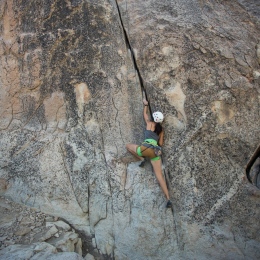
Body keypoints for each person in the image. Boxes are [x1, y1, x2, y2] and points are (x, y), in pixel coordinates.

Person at [126, 99, 172, 208]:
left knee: (128, 146)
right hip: (155, 152)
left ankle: (141, 159)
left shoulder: (149, 123)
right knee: (159, 176)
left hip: (144, 149)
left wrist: (145, 105)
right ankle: (168, 199)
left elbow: (144, 114)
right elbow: (160, 143)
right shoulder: (161, 129)